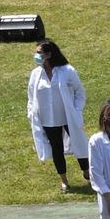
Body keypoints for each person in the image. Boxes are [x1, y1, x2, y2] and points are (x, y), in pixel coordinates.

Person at [26, 40, 89, 193]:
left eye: (39, 53)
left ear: (49, 54)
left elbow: (80, 93)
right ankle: (64, 181)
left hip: (67, 116)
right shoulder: (36, 74)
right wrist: (31, 113)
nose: (37, 56)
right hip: (48, 119)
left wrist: (77, 111)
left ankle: (87, 172)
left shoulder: (67, 71)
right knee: (56, 149)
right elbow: (30, 97)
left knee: (79, 143)